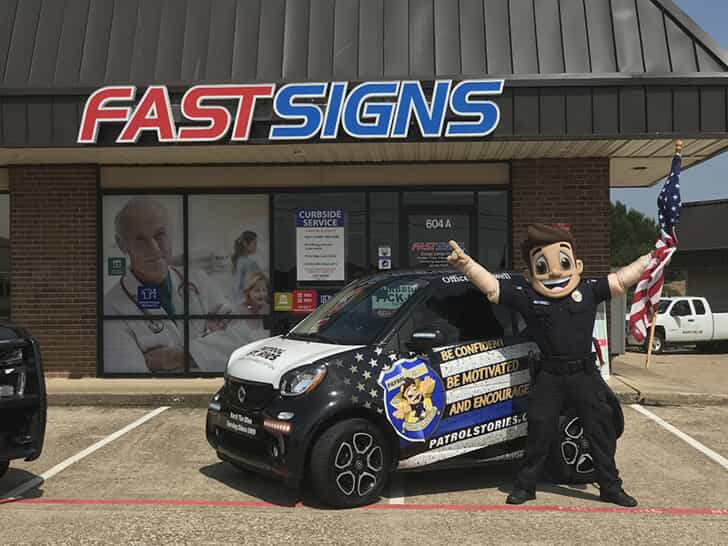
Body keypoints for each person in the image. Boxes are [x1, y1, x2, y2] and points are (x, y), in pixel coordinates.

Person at [447, 224, 651, 507]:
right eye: (543, 266)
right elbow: (492, 287)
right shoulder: (528, 295)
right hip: (550, 375)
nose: (555, 272)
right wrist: (466, 265)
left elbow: (621, 280)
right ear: (530, 274)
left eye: (563, 262)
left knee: (599, 431)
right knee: (539, 431)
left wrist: (650, 259)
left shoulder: (589, 290)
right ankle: (526, 486)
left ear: (577, 265)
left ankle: (611, 487)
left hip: (584, 373)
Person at [104, 197, 256, 373]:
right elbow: (130, 378)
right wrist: (209, 348)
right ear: (123, 245)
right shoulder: (112, 308)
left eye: (159, 234)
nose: (154, 247)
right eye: (140, 239)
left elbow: (244, 342)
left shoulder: (199, 281)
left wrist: (179, 357)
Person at [231, 230, 261, 307]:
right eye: (254, 243)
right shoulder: (249, 263)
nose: (256, 246)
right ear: (245, 244)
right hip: (246, 304)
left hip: (236, 303)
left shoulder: (237, 261)